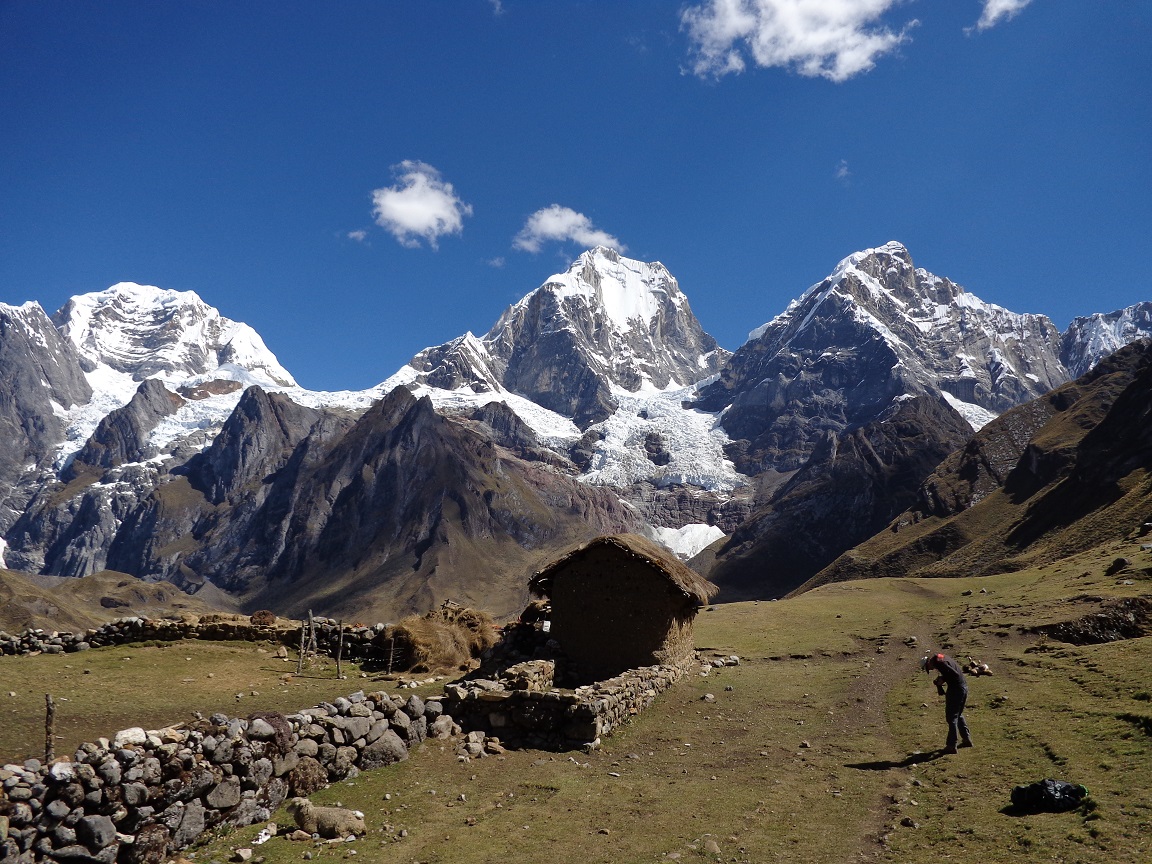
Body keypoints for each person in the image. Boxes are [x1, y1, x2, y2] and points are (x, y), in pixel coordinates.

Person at [921, 652, 972, 754]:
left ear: (928, 663)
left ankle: (951, 745)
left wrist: (943, 680)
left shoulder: (939, 663)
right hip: (963, 687)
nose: (931, 669)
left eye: (928, 668)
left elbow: (954, 674)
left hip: (956, 689)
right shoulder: (942, 658)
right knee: (959, 714)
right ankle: (966, 739)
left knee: (951, 717)